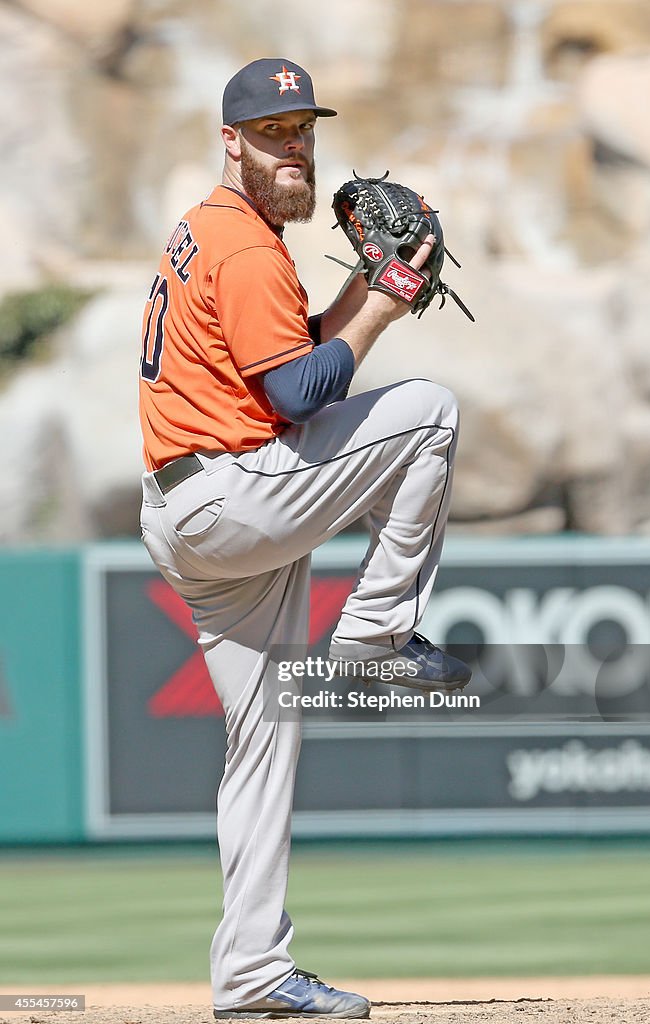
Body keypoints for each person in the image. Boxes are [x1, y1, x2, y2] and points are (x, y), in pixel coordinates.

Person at [138, 57, 471, 1019]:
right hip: (229, 493)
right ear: (231, 140)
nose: (294, 148)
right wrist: (383, 300)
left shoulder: (217, 232)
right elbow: (297, 395)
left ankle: (249, 977)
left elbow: (285, 360)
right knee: (428, 411)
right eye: (273, 132)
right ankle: (374, 635)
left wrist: (373, 293)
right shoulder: (243, 246)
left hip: (192, 510)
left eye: (303, 130)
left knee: (262, 737)